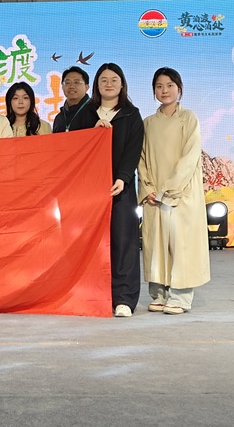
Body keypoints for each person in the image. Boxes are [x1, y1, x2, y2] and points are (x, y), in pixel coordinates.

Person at [138, 67, 210, 315]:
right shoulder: (148, 123)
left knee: (181, 246)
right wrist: (148, 188)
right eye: (159, 86)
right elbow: (141, 159)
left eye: (169, 85)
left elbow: (190, 157)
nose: (164, 90)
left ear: (179, 88)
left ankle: (180, 297)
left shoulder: (188, 118)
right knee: (155, 244)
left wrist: (169, 189)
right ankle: (159, 294)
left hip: (181, 194)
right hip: (154, 196)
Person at [76, 63, 144, 318]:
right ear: (96, 85)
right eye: (103, 79)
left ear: (122, 83)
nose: (109, 84)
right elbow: (76, 144)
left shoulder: (131, 114)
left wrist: (123, 178)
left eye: (114, 79)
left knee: (124, 241)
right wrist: (92, 133)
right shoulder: (85, 113)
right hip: (90, 190)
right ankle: (93, 294)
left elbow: (133, 149)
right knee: (91, 242)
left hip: (120, 189)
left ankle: (124, 298)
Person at [52, 66, 92, 133]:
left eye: (77, 82)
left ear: (86, 87)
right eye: (67, 83)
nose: (72, 86)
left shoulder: (95, 110)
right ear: (62, 87)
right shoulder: (59, 118)